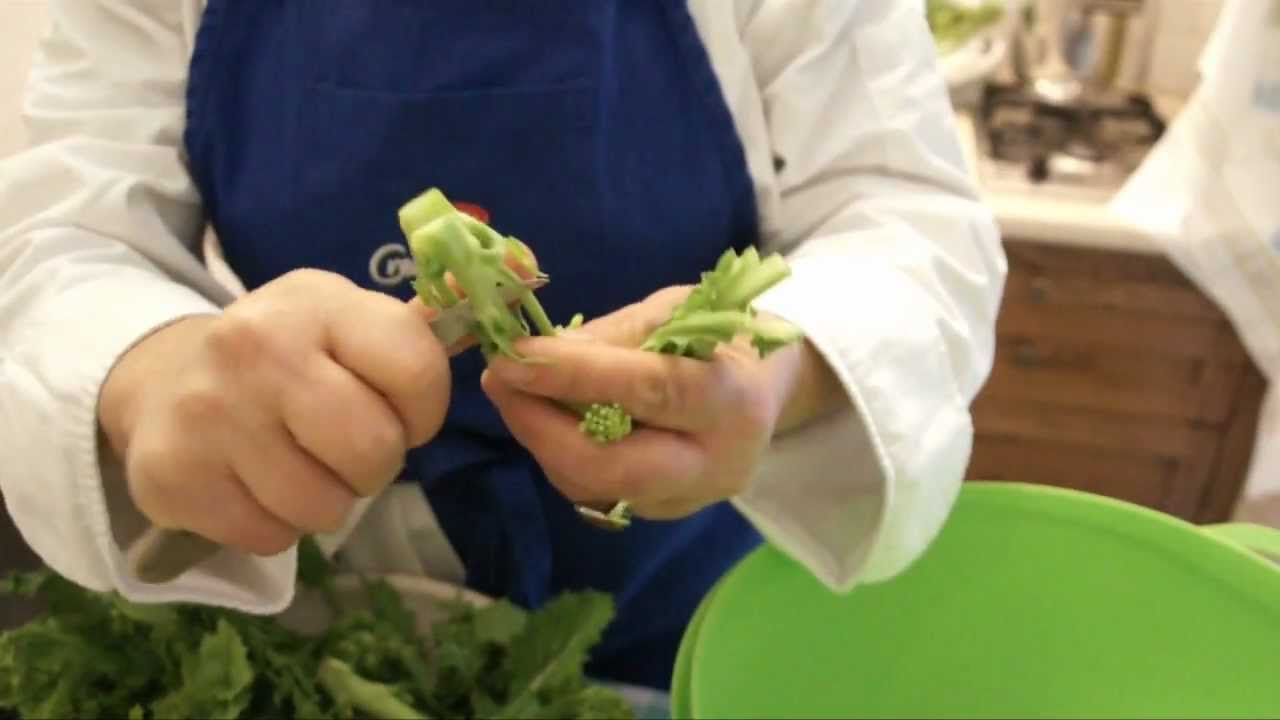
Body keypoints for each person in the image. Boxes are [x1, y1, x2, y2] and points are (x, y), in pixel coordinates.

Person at [0, 0, 1005, 691]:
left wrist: (779, 358)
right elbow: (63, 238)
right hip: (318, 582)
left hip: (679, 586)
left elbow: (904, 217)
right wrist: (145, 367)